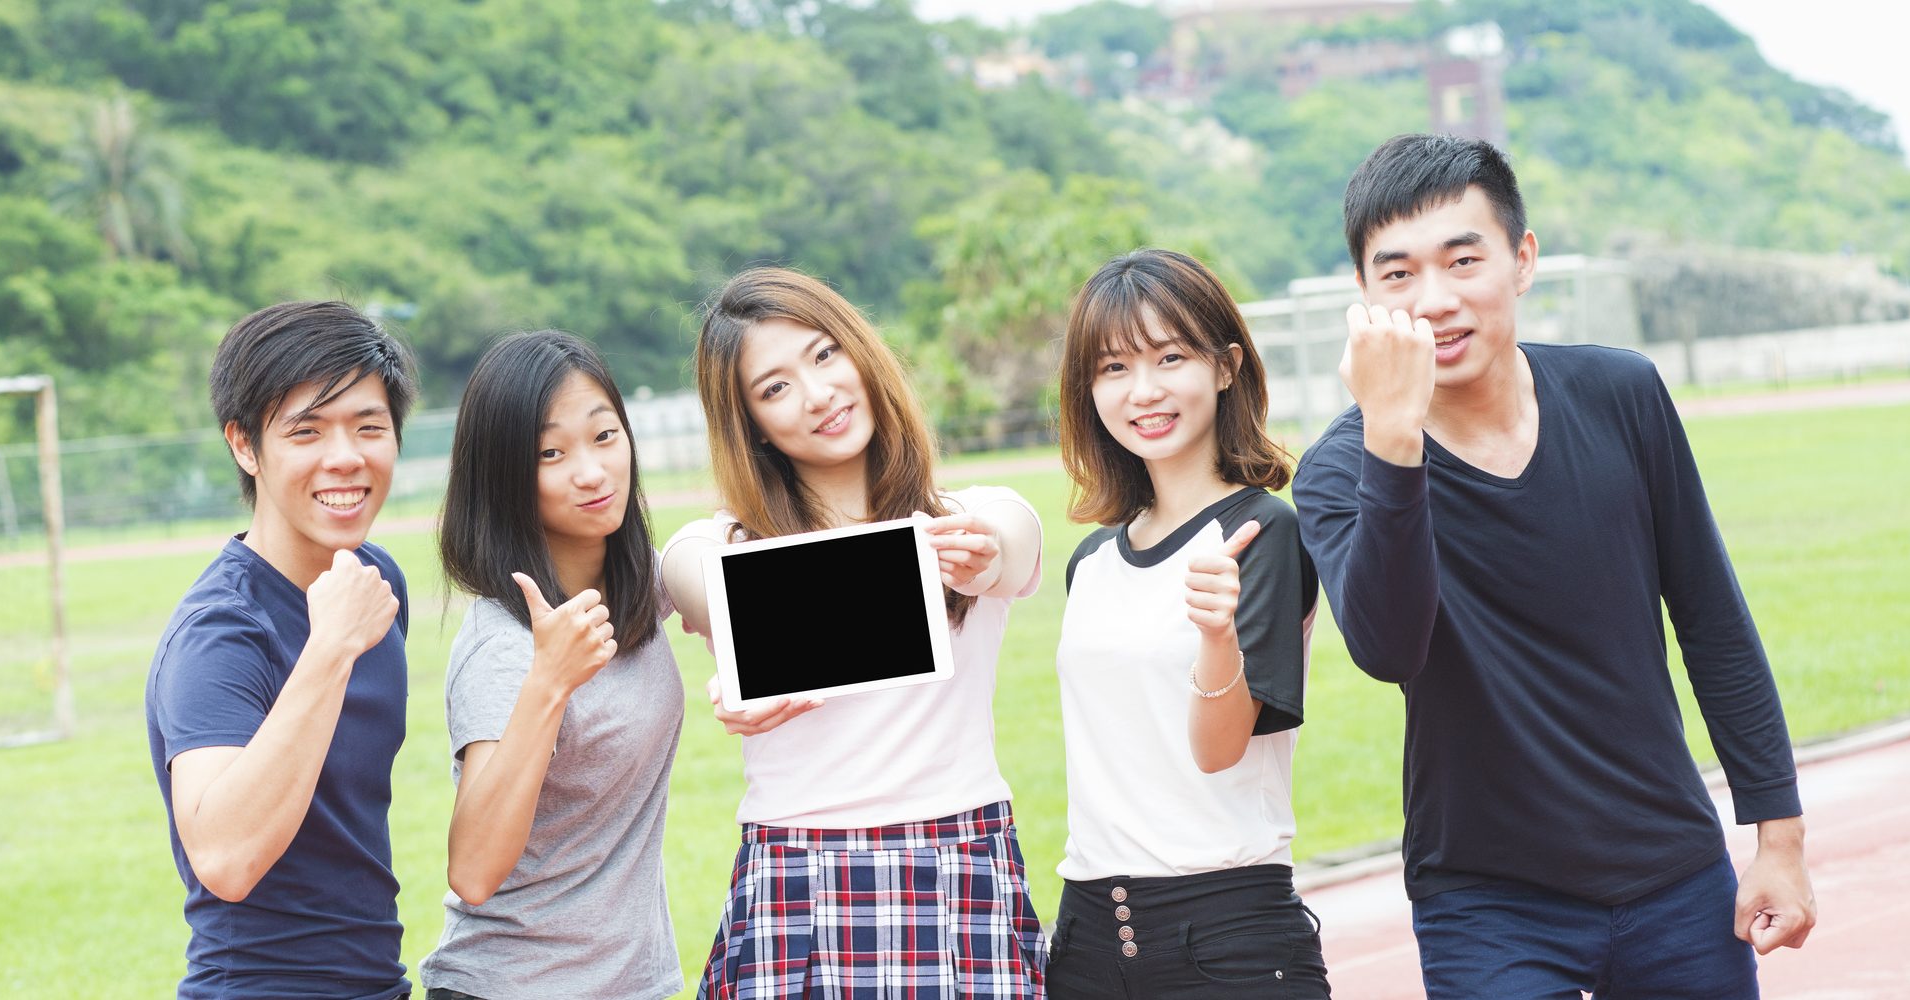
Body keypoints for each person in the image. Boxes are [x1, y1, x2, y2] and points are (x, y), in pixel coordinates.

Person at [1290, 133, 1816, 998]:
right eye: (1399, 274)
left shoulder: (1622, 394)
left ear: (1523, 260)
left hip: (1674, 873)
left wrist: (1780, 840)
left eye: (1464, 260)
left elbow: (1713, 621)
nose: (1435, 300)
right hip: (1486, 901)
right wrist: (1393, 436)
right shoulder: (1342, 469)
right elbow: (1389, 649)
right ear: (1365, 294)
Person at [662, 266, 1047, 999]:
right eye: (775, 387)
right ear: (751, 425)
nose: (817, 395)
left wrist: (983, 555)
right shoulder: (721, 547)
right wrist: (743, 659)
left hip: (957, 860)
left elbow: (1013, 543)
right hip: (795, 876)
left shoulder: (974, 515)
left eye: (824, 354)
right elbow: (695, 581)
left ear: (861, 352)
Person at [1043, 249, 1330, 999]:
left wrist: (1216, 635)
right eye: (1113, 368)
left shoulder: (1261, 534)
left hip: (1227, 938)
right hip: (1085, 939)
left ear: (1226, 367)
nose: (1144, 390)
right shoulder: (1091, 561)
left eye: (1170, 358)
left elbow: (1218, 749)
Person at [144, 300, 419, 999]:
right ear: (244, 445)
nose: (346, 457)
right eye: (306, 431)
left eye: (369, 427)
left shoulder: (374, 581)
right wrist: (329, 649)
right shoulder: (220, 632)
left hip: (376, 982)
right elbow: (225, 858)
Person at [417, 331, 683, 1000]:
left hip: (632, 985)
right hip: (511, 985)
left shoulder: (634, 589)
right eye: (550, 453)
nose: (591, 472)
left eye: (604, 436)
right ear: (502, 475)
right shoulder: (506, 646)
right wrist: (549, 682)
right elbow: (473, 871)